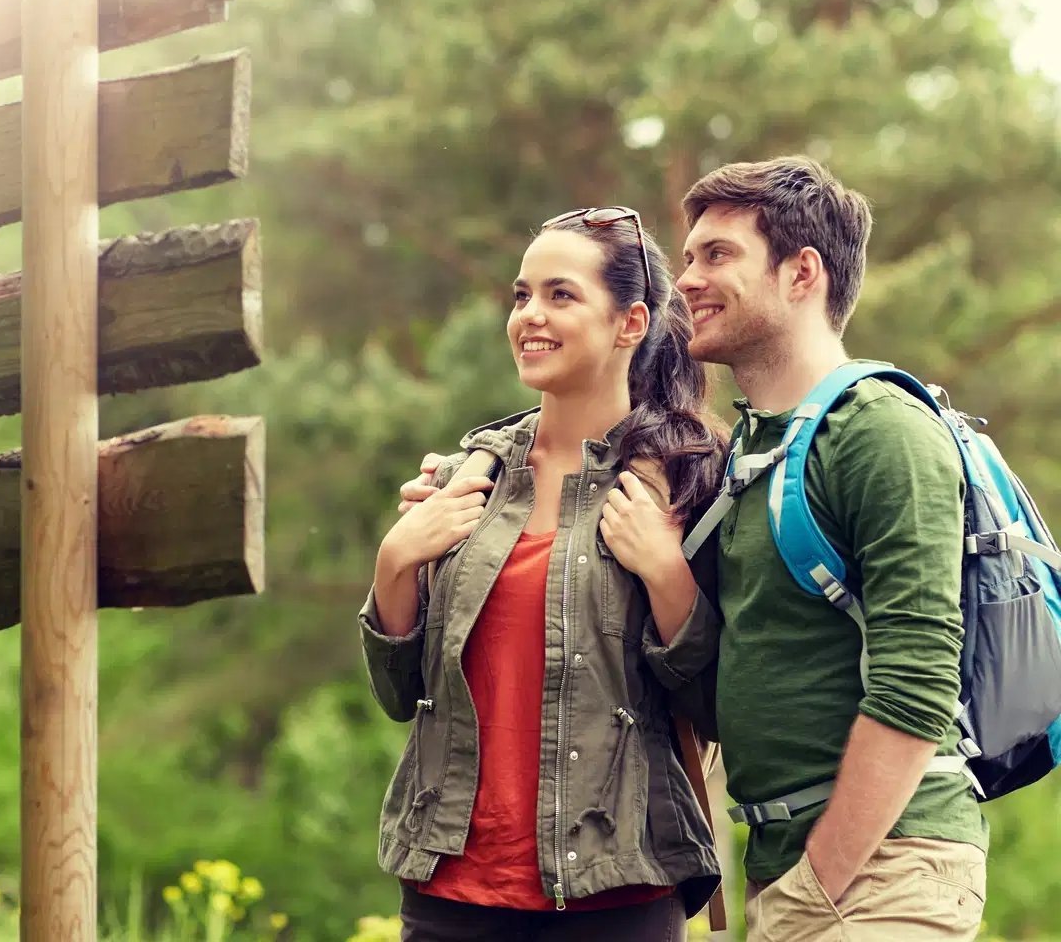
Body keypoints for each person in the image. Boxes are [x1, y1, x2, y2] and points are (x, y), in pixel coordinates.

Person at [403, 157, 989, 940]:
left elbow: (918, 681)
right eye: (687, 258)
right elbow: (715, 694)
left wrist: (825, 879)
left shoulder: (881, 427)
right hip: (785, 863)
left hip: (880, 869)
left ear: (801, 273)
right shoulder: (748, 457)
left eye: (717, 256)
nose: (686, 281)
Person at [360, 206, 727, 941]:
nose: (530, 314)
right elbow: (402, 695)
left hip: (615, 894)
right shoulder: (471, 476)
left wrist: (668, 578)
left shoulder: (687, 481)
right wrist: (396, 561)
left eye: (561, 295)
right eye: (522, 294)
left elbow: (717, 708)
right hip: (448, 892)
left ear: (630, 323)